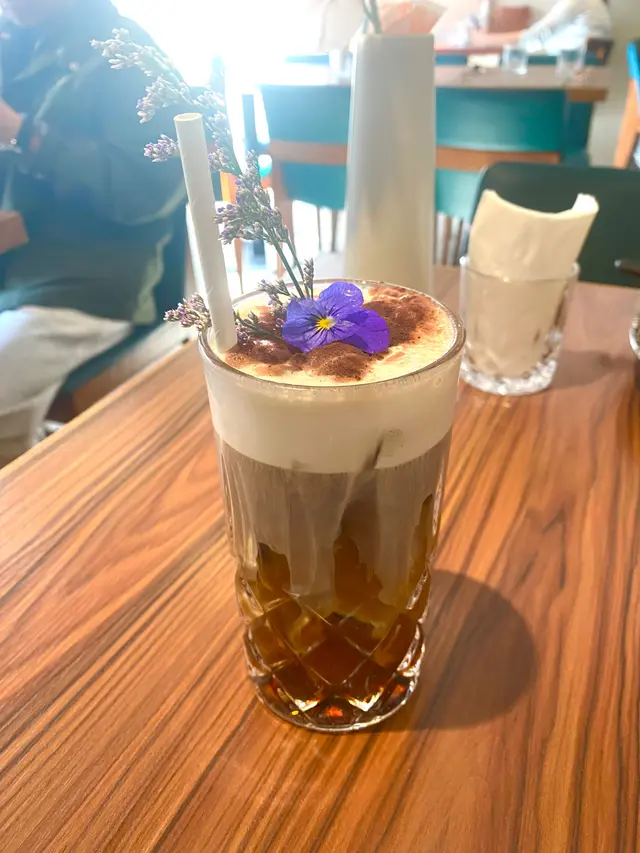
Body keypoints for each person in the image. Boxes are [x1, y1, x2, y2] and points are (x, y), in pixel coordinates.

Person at [0, 0, 185, 466]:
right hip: (21, 271)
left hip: (87, 286)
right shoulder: (20, 45)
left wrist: (25, 134)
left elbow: (146, 188)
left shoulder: (125, 54)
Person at [468, 0, 612, 53]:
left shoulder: (577, 2)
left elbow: (534, 38)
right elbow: (553, 28)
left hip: (563, 76)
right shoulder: (596, 4)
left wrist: (484, 40)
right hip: (576, 77)